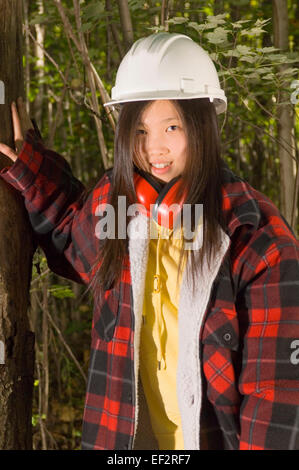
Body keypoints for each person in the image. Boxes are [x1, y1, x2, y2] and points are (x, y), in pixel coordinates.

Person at [0, 32, 299, 451]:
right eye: (139, 130)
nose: (154, 148)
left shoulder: (257, 240)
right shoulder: (118, 206)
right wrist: (33, 174)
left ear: (205, 126)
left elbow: (277, 393)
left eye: (172, 126)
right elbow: (71, 235)